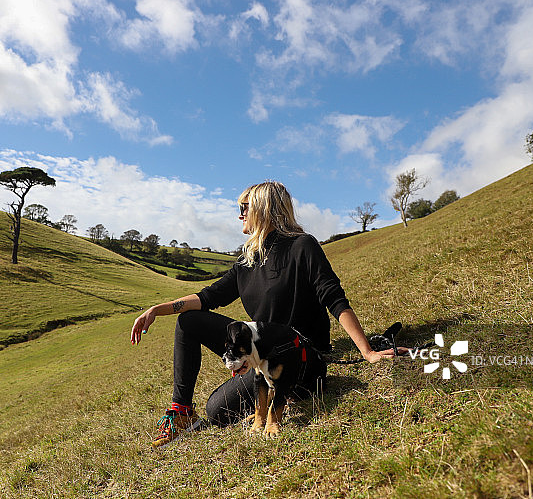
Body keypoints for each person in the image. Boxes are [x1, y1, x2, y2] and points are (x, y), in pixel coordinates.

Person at [131, 181, 405, 448]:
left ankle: (283, 393)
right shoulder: (248, 260)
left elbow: (333, 297)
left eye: (244, 207)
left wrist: (367, 352)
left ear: (264, 208)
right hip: (262, 351)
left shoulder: (302, 246)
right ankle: (181, 413)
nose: (240, 214)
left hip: (297, 356)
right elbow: (208, 297)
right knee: (189, 321)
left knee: (217, 411)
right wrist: (157, 310)